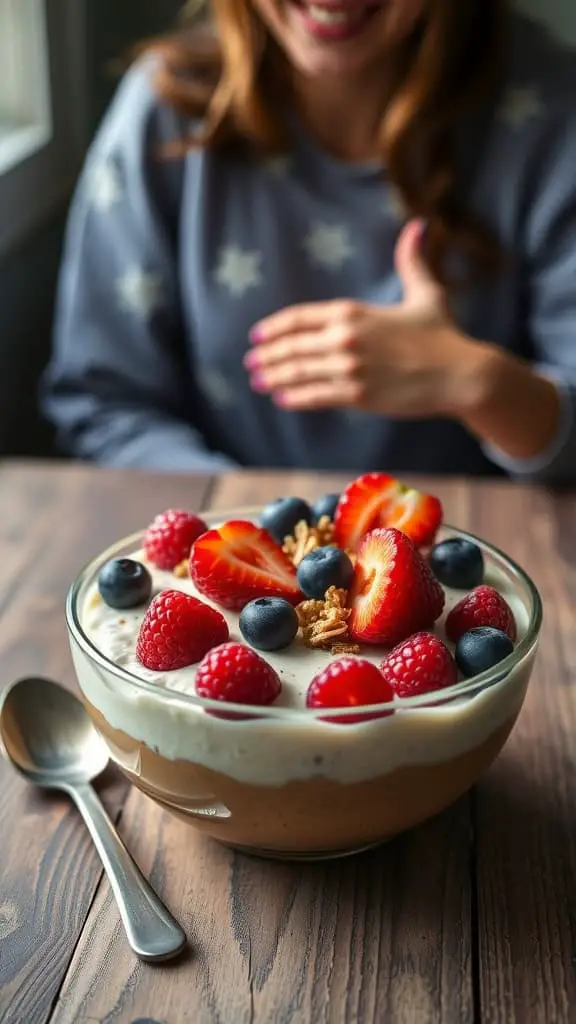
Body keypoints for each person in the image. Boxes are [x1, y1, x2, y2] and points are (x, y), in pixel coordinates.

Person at [43, 0, 576, 480]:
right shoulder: (162, 111)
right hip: (229, 556)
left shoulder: (550, 110)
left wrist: (479, 384)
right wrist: (249, 534)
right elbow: (103, 403)